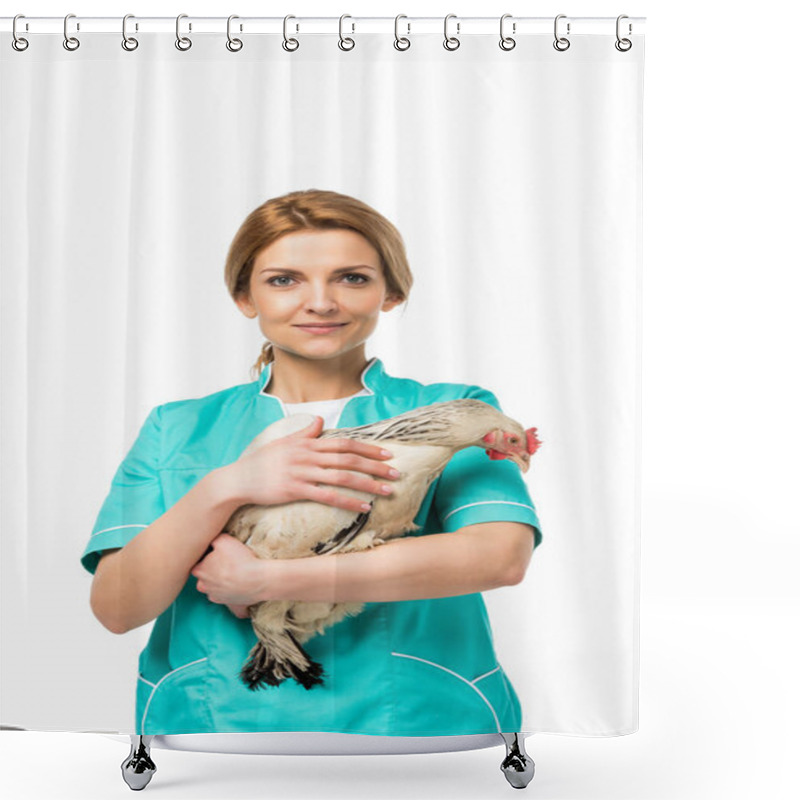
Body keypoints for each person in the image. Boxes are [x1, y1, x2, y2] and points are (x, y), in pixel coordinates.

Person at [81, 189, 543, 736]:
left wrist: (265, 578)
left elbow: (499, 557)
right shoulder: (178, 427)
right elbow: (117, 608)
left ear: (390, 293)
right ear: (243, 296)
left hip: (424, 723)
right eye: (284, 280)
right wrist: (226, 487)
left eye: (352, 278)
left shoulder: (455, 409)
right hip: (213, 730)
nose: (320, 302)